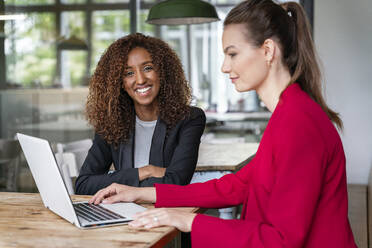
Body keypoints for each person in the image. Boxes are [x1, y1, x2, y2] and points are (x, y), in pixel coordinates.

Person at [89, 1, 357, 247]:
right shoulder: (289, 113)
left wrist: (187, 221)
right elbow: (236, 186)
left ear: (267, 50)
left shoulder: (298, 124)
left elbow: (282, 240)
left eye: (232, 54)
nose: (224, 67)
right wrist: (141, 194)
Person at [75, 33, 206, 195]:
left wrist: (118, 184)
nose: (141, 79)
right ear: (120, 83)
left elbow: (176, 182)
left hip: (166, 214)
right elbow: (84, 184)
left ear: (162, 72)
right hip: (123, 214)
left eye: (148, 68)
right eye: (129, 73)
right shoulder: (112, 121)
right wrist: (145, 171)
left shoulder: (189, 118)